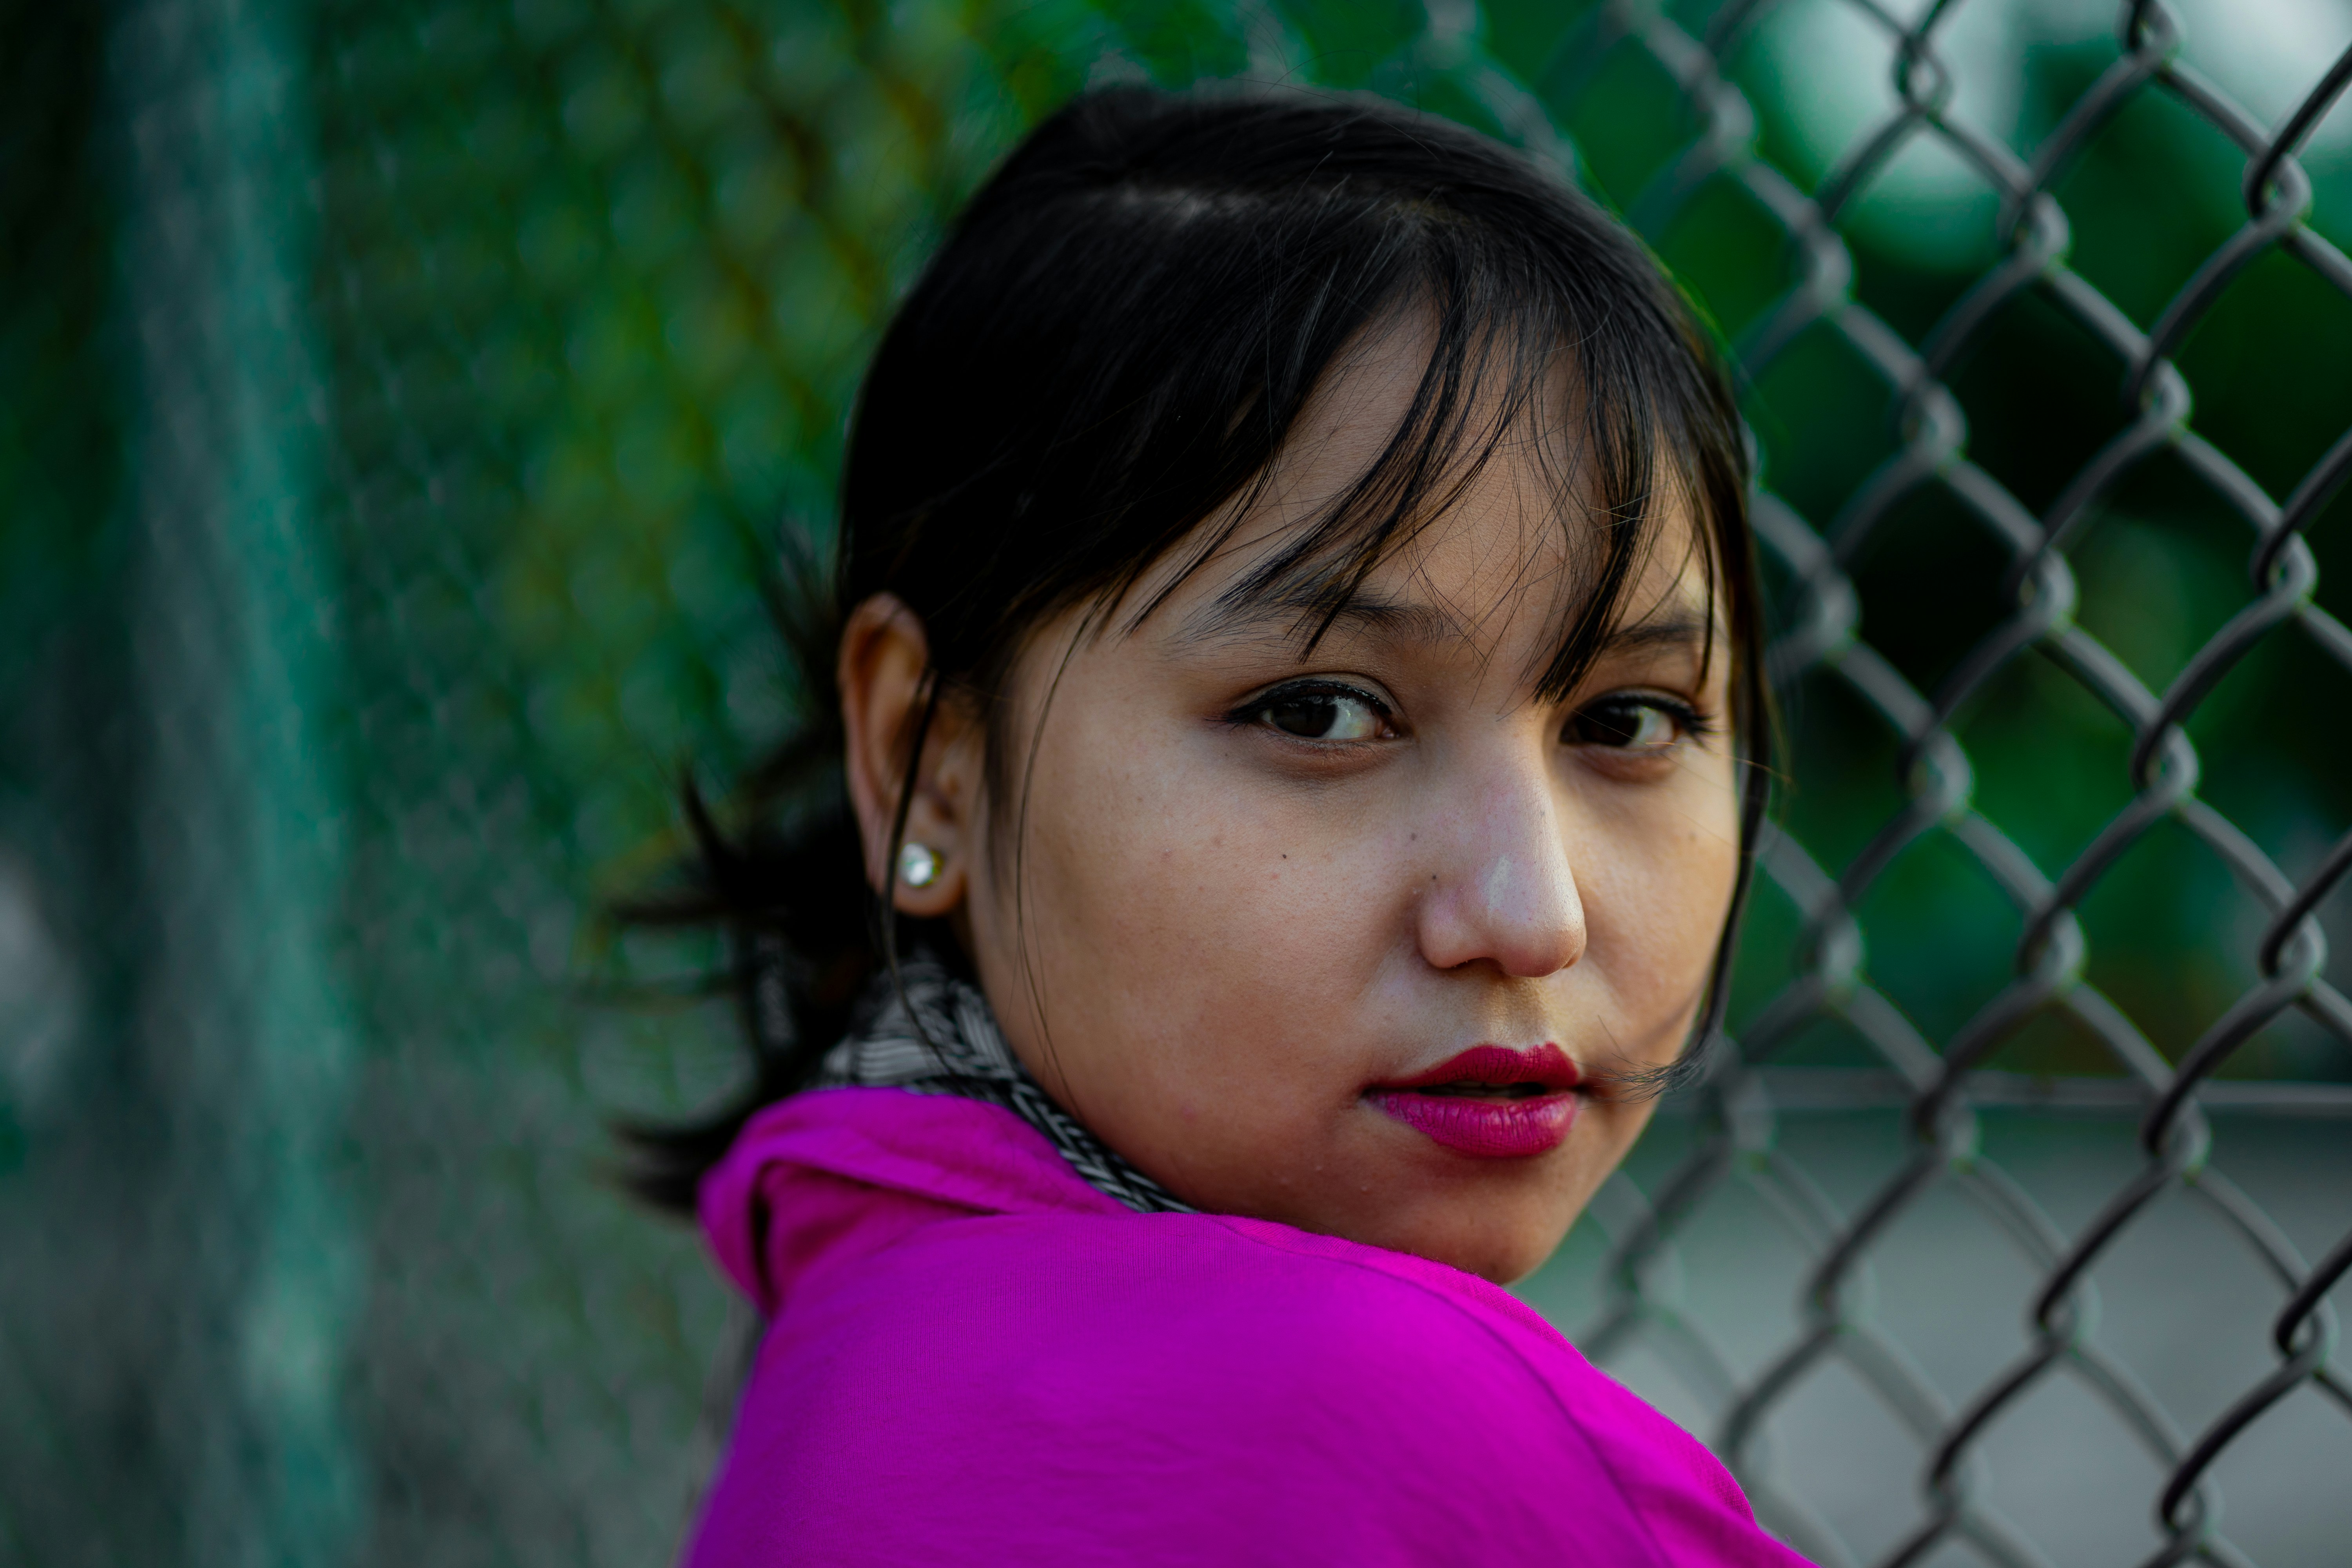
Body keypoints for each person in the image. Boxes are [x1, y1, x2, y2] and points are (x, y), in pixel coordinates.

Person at [627, 83, 1807, 1566]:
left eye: (1627, 722)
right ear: (923, 760)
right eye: (1319, 712)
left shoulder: (865, 1308)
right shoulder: (1388, 1425)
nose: (1531, 913)